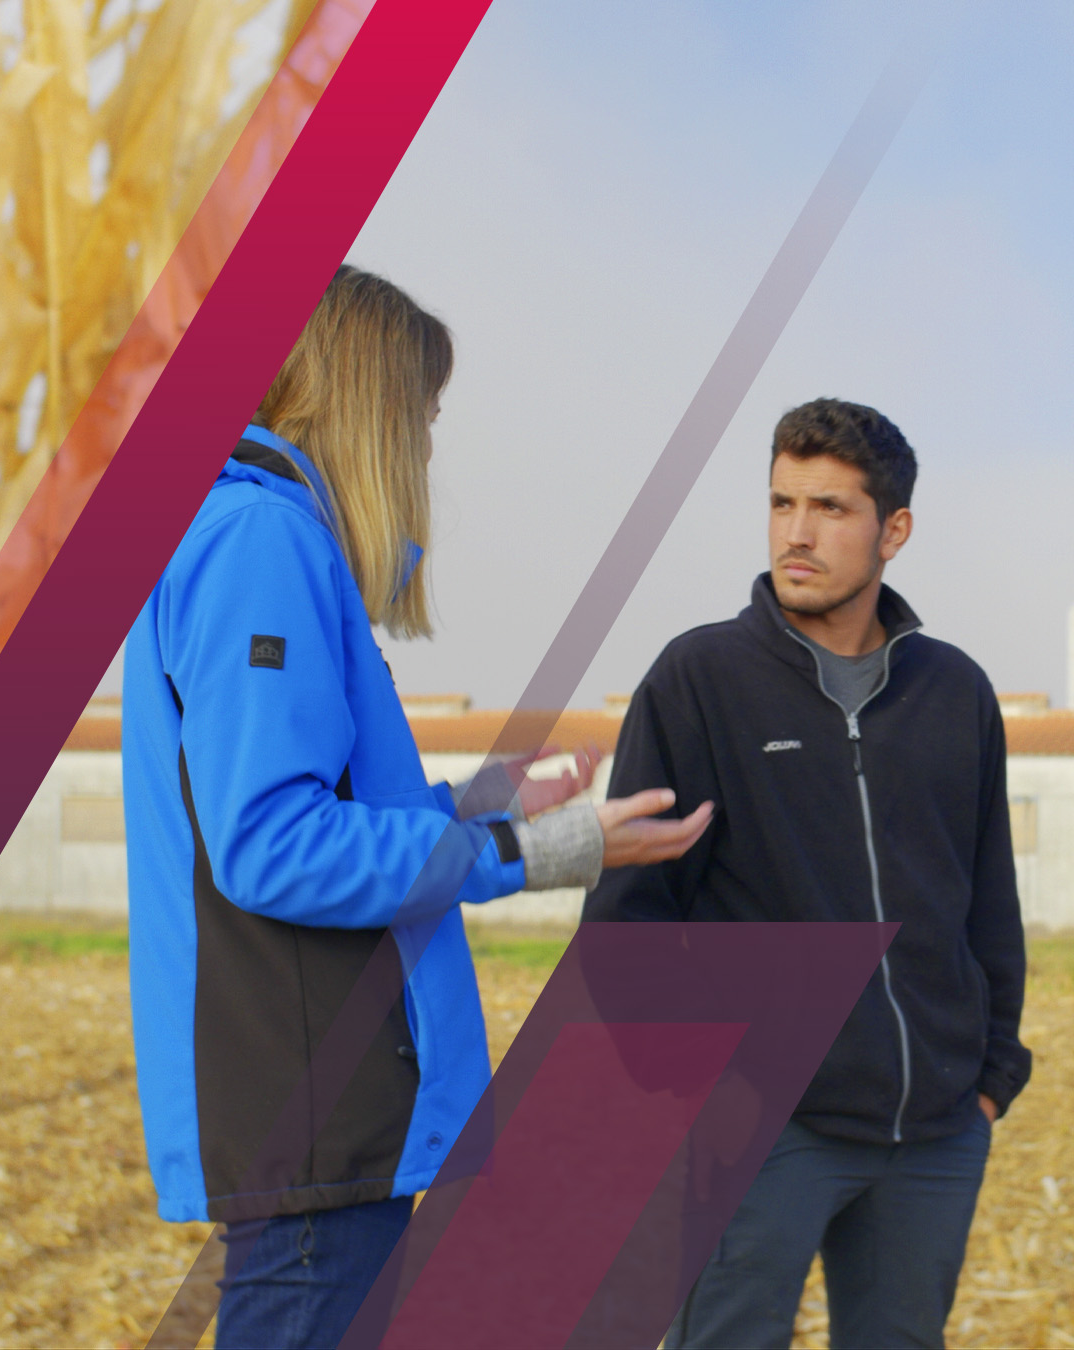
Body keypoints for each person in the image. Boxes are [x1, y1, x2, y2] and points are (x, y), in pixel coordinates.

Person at [121, 265, 714, 1349]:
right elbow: (270, 844)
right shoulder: (261, 541)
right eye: (424, 416)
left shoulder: (245, 532)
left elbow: (317, 800)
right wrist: (530, 849)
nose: (429, 452)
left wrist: (479, 800)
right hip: (320, 1113)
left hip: (324, 1117)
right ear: (370, 401)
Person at [584, 399, 1030, 1349]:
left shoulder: (955, 692)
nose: (796, 531)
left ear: (893, 530)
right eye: (782, 502)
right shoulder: (698, 679)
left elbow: (989, 900)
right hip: (762, 1133)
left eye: (829, 507)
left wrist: (990, 1074)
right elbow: (628, 916)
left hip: (936, 1129)